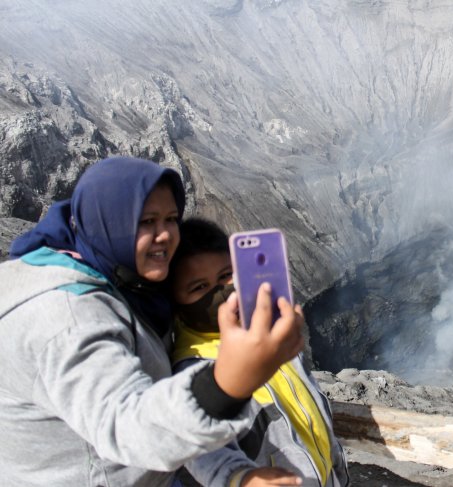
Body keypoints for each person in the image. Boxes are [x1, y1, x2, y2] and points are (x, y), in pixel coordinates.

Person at [0, 156, 304, 487]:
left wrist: (234, 474)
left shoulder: (131, 288)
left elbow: (166, 410)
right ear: (110, 222)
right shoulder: (65, 317)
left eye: (171, 218)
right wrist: (226, 384)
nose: (164, 235)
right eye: (146, 221)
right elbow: (126, 426)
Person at [169, 218, 349, 487]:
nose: (221, 292)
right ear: (175, 300)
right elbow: (202, 451)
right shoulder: (195, 371)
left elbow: (313, 417)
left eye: (225, 276)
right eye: (199, 287)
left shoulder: (271, 337)